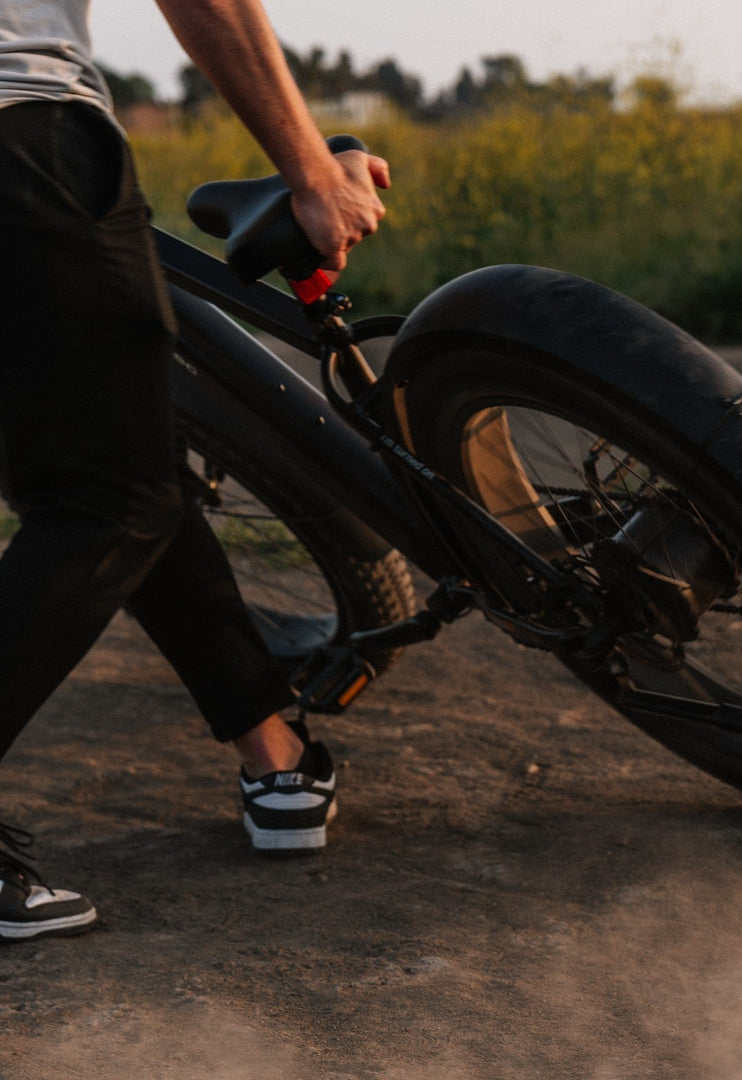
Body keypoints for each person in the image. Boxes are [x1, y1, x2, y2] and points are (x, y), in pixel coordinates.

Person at [0, 0, 390, 941]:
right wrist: (310, 171)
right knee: (109, 500)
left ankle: (273, 750)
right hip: (24, 139)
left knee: (115, 468)